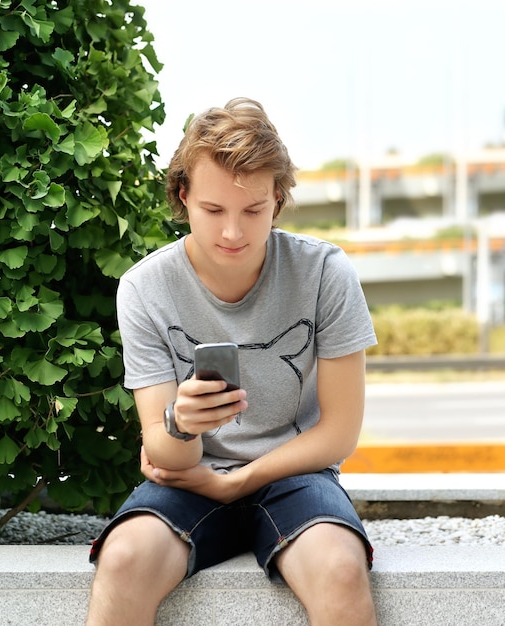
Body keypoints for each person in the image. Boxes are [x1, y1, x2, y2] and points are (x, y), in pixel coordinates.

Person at [86, 97, 378, 626]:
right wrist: (181, 425)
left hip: (298, 473)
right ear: (183, 196)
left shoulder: (325, 273)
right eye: (213, 210)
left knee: (339, 567)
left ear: (279, 199)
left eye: (253, 211)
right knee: (123, 558)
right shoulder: (144, 289)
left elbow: (339, 433)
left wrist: (237, 482)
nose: (232, 234)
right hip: (190, 478)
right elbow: (163, 453)